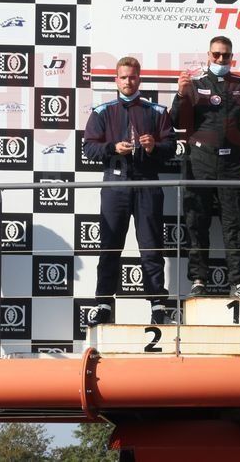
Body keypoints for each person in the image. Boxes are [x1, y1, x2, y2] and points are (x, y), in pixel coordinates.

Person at [83, 56, 177, 325]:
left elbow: (171, 147)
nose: (128, 81)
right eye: (123, 77)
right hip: (115, 184)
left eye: (132, 77)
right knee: (110, 247)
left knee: (151, 247)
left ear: (139, 79)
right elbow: (88, 148)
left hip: (147, 183)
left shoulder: (156, 111)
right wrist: (112, 148)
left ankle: (158, 306)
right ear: (116, 80)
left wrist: (153, 147)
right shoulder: (102, 112)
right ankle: (103, 304)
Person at [171, 35, 240, 298]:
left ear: (232, 57)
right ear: (208, 56)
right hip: (199, 161)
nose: (221, 59)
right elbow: (176, 122)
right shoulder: (194, 85)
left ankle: (238, 283)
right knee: (196, 222)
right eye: (216, 54)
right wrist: (180, 95)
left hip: (232, 163)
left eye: (226, 55)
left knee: (235, 224)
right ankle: (198, 280)